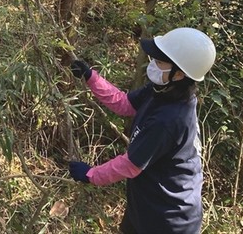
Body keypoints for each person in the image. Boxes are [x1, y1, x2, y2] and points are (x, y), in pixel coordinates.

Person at [67, 27, 216, 234]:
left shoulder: (170, 119)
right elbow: (124, 104)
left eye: (160, 62)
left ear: (180, 74)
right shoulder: (162, 90)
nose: (153, 65)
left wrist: (91, 174)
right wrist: (91, 78)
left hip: (169, 220)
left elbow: (131, 165)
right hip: (146, 208)